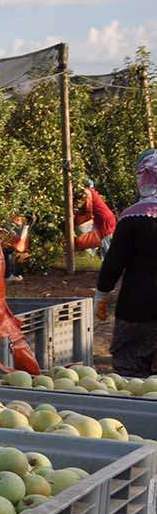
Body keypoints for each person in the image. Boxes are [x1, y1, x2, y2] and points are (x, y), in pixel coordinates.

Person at [95, 150, 157, 377]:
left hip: (137, 304)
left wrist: (102, 295)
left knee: (130, 370)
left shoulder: (132, 218)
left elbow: (114, 263)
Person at [74, 181, 116, 259]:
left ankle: (110, 262)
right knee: (105, 241)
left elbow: (87, 209)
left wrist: (76, 219)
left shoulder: (87, 193)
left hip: (104, 220)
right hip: (106, 219)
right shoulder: (92, 193)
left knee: (106, 244)